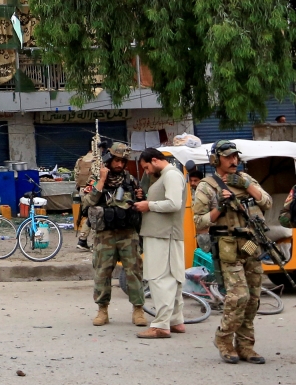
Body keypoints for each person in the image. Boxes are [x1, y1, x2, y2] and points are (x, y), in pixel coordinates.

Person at [193, 141, 271, 364]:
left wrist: (248, 185)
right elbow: (199, 221)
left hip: (251, 246)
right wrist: (220, 207)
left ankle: (246, 346)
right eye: (228, 157)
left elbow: (267, 202)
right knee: (239, 297)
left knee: (253, 299)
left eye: (235, 156)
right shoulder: (207, 186)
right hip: (228, 247)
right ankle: (224, 339)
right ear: (216, 160)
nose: (234, 161)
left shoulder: (246, 179)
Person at [81, 142, 147, 327]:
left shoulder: (130, 180)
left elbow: (140, 204)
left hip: (128, 233)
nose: (119, 165)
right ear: (109, 159)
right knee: (103, 272)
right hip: (105, 234)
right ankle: (102, 310)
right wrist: (101, 181)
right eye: (116, 160)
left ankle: (138, 309)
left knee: (134, 272)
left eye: (123, 161)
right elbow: (87, 203)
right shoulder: (96, 179)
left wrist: (141, 197)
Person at [135, 148, 187, 339]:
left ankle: (160, 326)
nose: (147, 172)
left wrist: (148, 205)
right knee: (172, 278)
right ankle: (175, 321)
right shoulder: (166, 176)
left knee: (159, 278)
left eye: (146, 167)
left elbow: (174, 204)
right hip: (165, 234)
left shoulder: (171, 175)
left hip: (163, 235)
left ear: (155, 160)